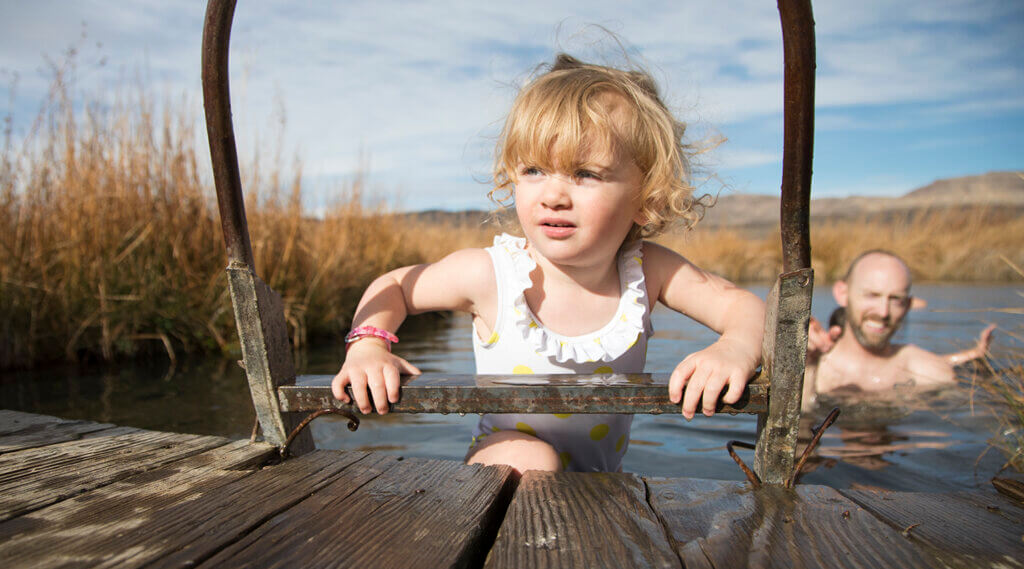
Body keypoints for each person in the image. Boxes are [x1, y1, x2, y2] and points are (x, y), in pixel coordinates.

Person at [331, 54, 765, 475]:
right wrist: (369, 346)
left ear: (644, 197)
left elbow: (747, 308)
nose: (554, 195)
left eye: (586, 174)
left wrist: (735, 348)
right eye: (535, 170)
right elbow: (398, 285)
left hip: (596, 486)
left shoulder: (644, 272)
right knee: (535, 461)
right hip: (501, 476)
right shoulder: (493, 276)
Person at [803, 249, 996, 410]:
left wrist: (977, 356)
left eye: (896, 299)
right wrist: (807, 368)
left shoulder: (929, 372)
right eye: (872, 295)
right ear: (842, 293)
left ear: (908, 305)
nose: (883, 312)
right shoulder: (809, 368)